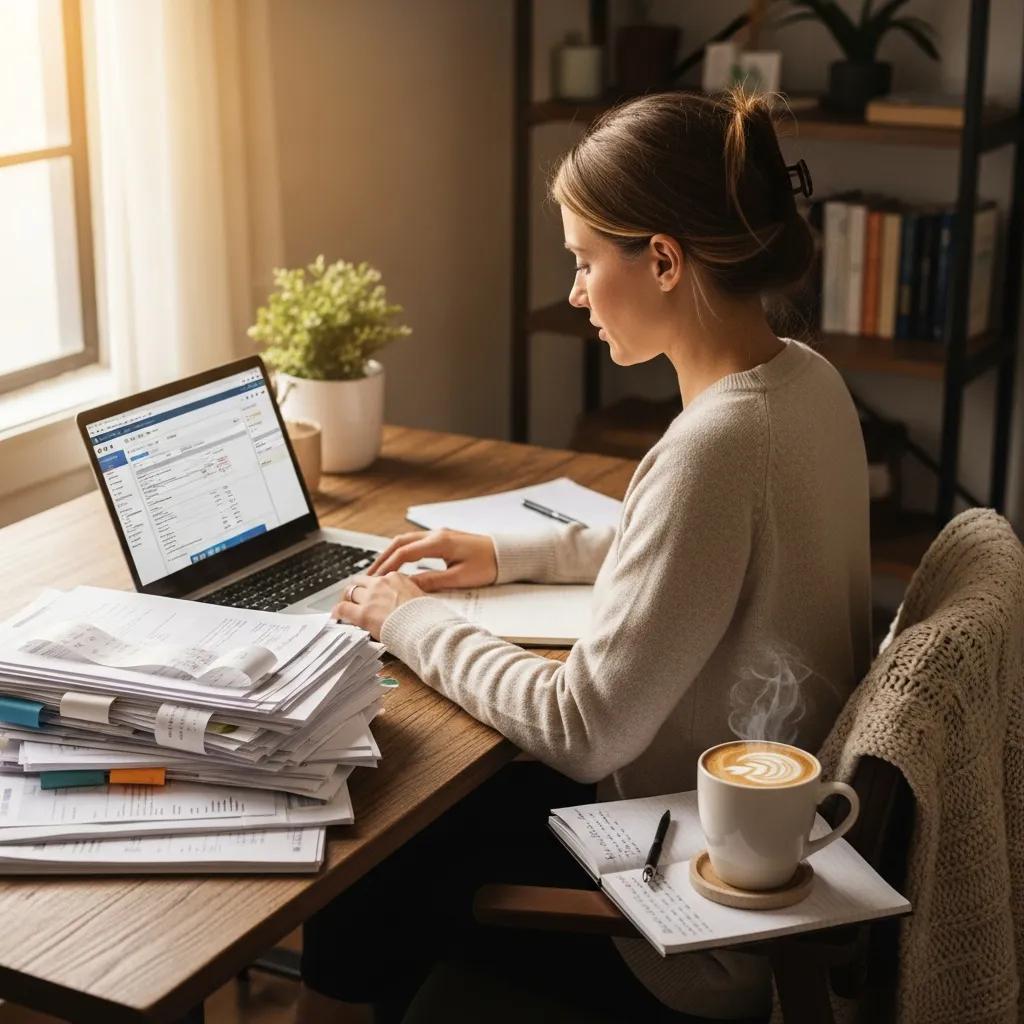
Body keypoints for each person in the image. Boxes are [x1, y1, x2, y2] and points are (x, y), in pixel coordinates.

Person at [297, 87, 871, 1024]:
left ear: (662, 260)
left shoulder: (716, 445)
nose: (573, 293)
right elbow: (681, 543)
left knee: (370, 850)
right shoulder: (803, 383)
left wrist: (409, 618)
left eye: (583, 260)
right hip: (741, 846)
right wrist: (504, 551)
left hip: (680, 921)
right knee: (416, 829)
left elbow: (583, 728)